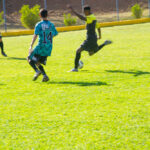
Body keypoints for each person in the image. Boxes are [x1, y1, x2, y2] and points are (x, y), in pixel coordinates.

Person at [67, 5, 112, 72]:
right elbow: (98, 27)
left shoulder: (91, 17)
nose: (84, 13)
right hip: (93, 38)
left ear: (87, 11)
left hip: (90, 38)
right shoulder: (93, 17)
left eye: (84, 12)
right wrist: (99, 36)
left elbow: (82, 18)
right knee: (91, 53)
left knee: (78, 51)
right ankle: (104, 44)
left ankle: (75, 68)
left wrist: (73, 11)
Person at [28, 9, 58, 82]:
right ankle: (45, 76)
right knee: (36, 61)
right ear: (47, 15)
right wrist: (49, 38)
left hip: (41, 46)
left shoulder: (39, 24)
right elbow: (55, 33)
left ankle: (37, 71)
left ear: (39, 15)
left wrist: (31, 45)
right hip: (48, 47)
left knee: (29, 57)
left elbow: (35, 35)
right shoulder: (51, 24)